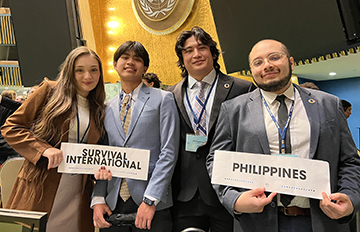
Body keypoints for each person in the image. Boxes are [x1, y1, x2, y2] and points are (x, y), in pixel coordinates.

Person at [206, 39, 360, 232]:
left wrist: (351, 197)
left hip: (322, 220)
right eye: (258, 62)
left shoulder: (329, 104)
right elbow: (216, 161)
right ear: (252, 71)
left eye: (274, 57)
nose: (267, 65)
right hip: (257, 222)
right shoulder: (233, 110)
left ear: (291, 62)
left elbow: (350, 161)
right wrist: (233, 199)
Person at [2, 47, 106, 232]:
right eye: (79, 70)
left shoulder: (98, 107)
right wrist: (43, 149)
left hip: (77, 191)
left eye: (93, 69)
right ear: (69, 71)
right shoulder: (50, 90)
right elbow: (11, 127)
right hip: (42, 184)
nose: (87, 76)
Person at [168, 26, 256, 232]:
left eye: (201, 47)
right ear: (182, 58)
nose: (196, 54)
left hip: (227, 191)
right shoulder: (170, 94)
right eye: (188, 50)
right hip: (185, 193)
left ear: (213, 52)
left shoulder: (242, 89)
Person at [92, 41, 179, 232]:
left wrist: (150, 199)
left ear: (145, 67)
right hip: (113, 202)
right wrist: (98, 198)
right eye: (125, 57)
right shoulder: (107, 108)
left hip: (151, 203)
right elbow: (103, 156)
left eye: (137, 59)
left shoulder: (163, 99)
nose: (130, 62)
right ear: (115, 64)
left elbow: (168, 153)